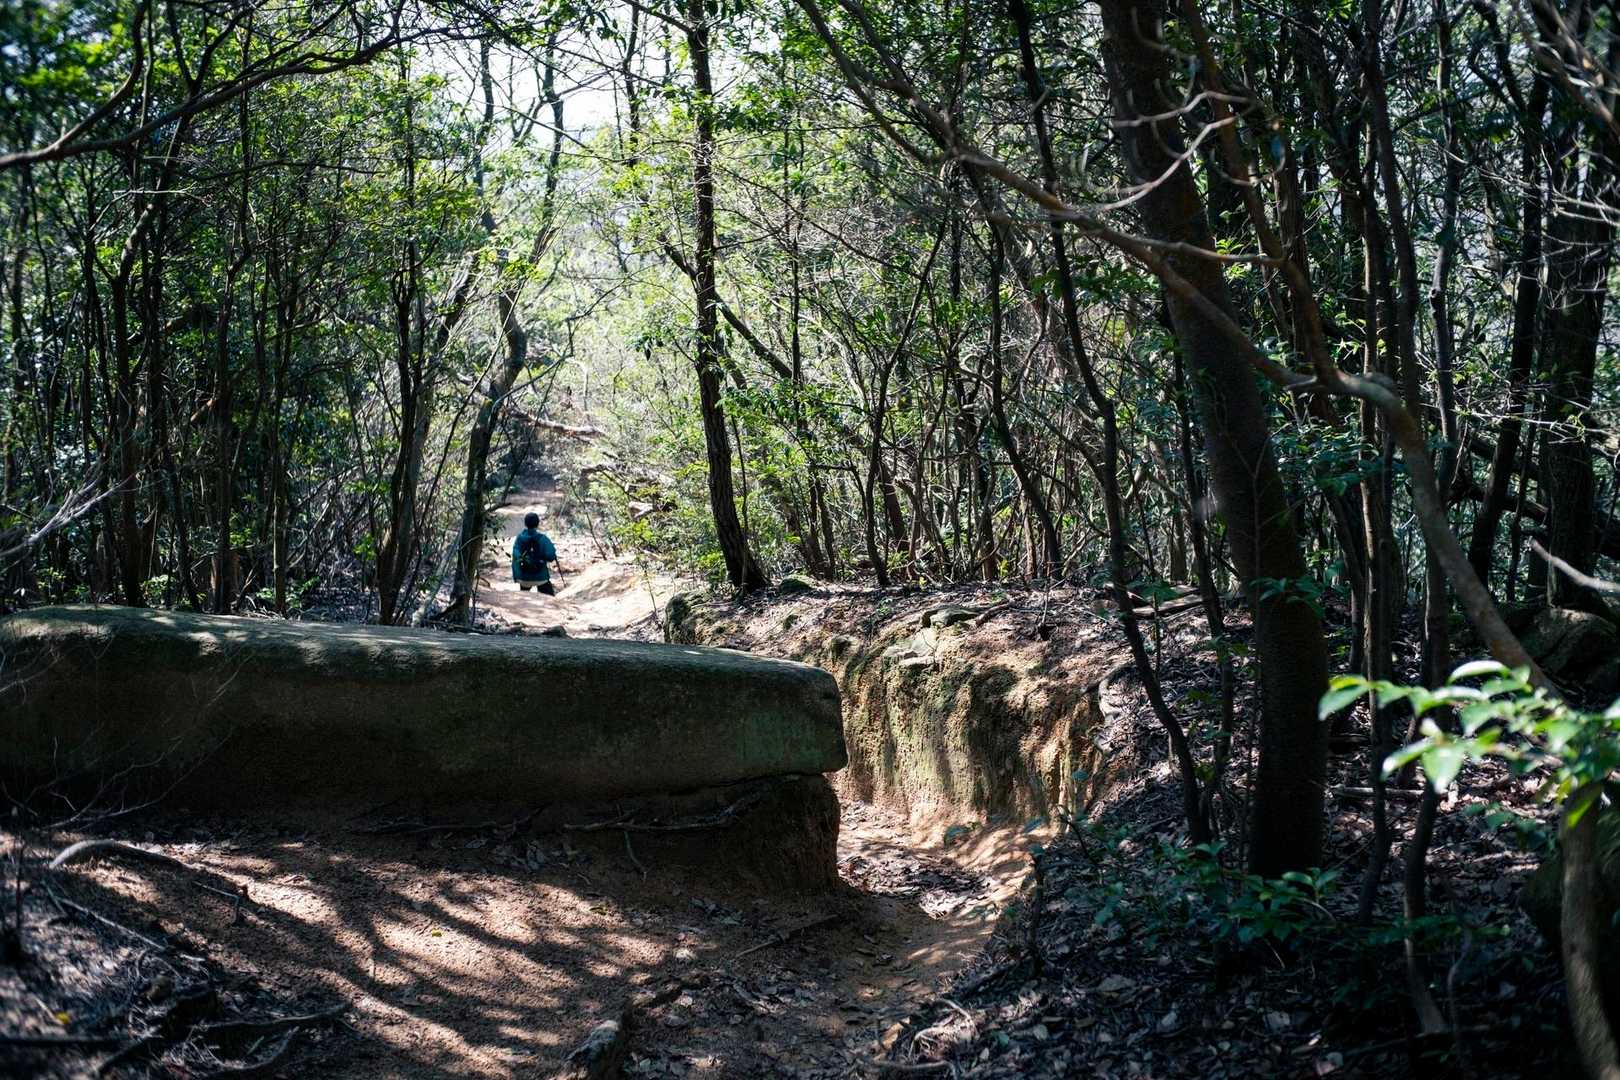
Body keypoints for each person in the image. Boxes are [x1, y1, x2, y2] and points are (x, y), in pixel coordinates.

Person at [511, 512, 560, 595]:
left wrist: (517, 576)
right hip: (541, 577)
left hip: (523, 578)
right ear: (537, 524)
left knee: (524, 594)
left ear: (525, 524)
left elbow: (516, 556)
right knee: (549, 596)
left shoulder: (519, 538)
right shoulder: (543, 538)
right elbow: (551, 556)